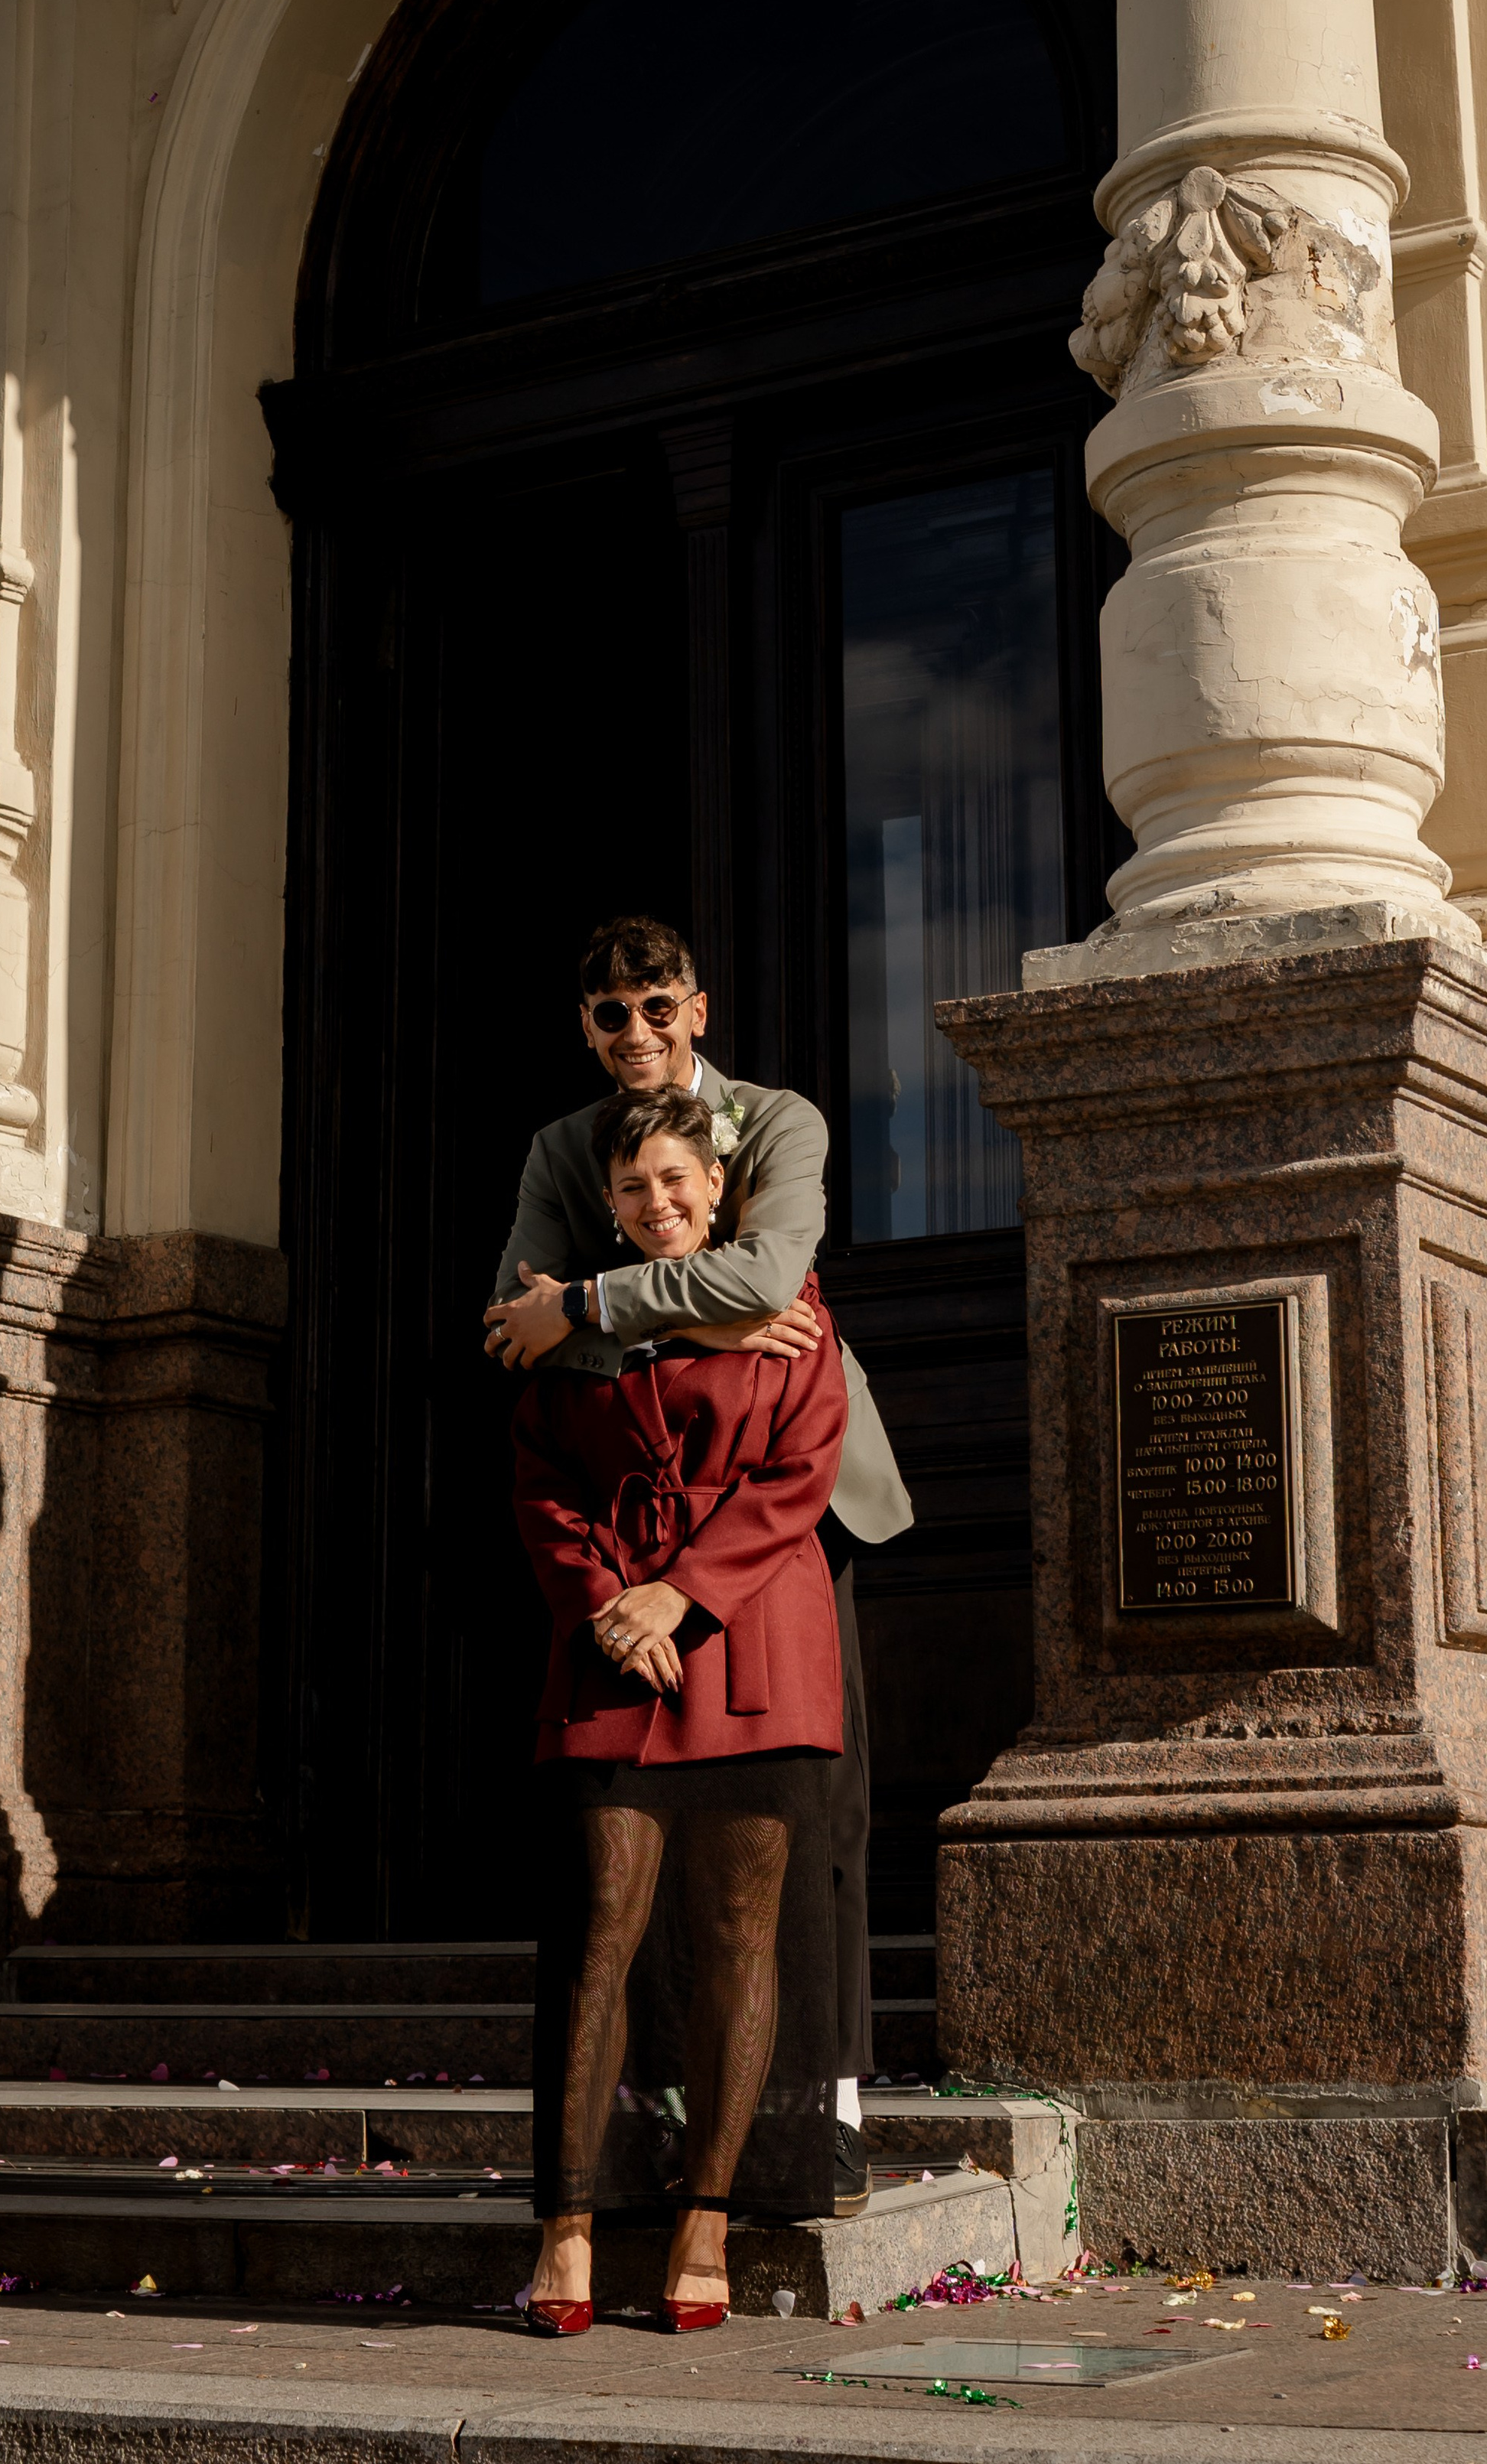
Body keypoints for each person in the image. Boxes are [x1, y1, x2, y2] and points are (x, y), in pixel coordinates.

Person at [484, 912, 912, 2216]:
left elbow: (779, 1270)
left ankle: (820, 2110)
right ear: (586, 1028)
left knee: (813, 1821)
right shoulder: (565, 1152)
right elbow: (516, 1328)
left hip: (798, 1498)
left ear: (698, 1009)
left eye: (657, 1007)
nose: (637, 1035)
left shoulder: (780, 1123)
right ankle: (657, 2116)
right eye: (611, 1016)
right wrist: (691, 1319)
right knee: (634, 1839)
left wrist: (598, 1303)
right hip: (634, 1511)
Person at [512, 1082, 848, 2335]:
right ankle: (568, 2219)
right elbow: (540, 1474)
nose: (661, 1202)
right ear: (609, 1202)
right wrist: (608, 1599)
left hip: (754, 1646)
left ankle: (706, 2217)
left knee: (738, 1934)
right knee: (601, 1923)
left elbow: (803, 1467)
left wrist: (684, 1597)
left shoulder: (786, 1304)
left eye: (680, 1182)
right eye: (637, 1186)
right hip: (611, 1653)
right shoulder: (570, 1326)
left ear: (719, 1189)